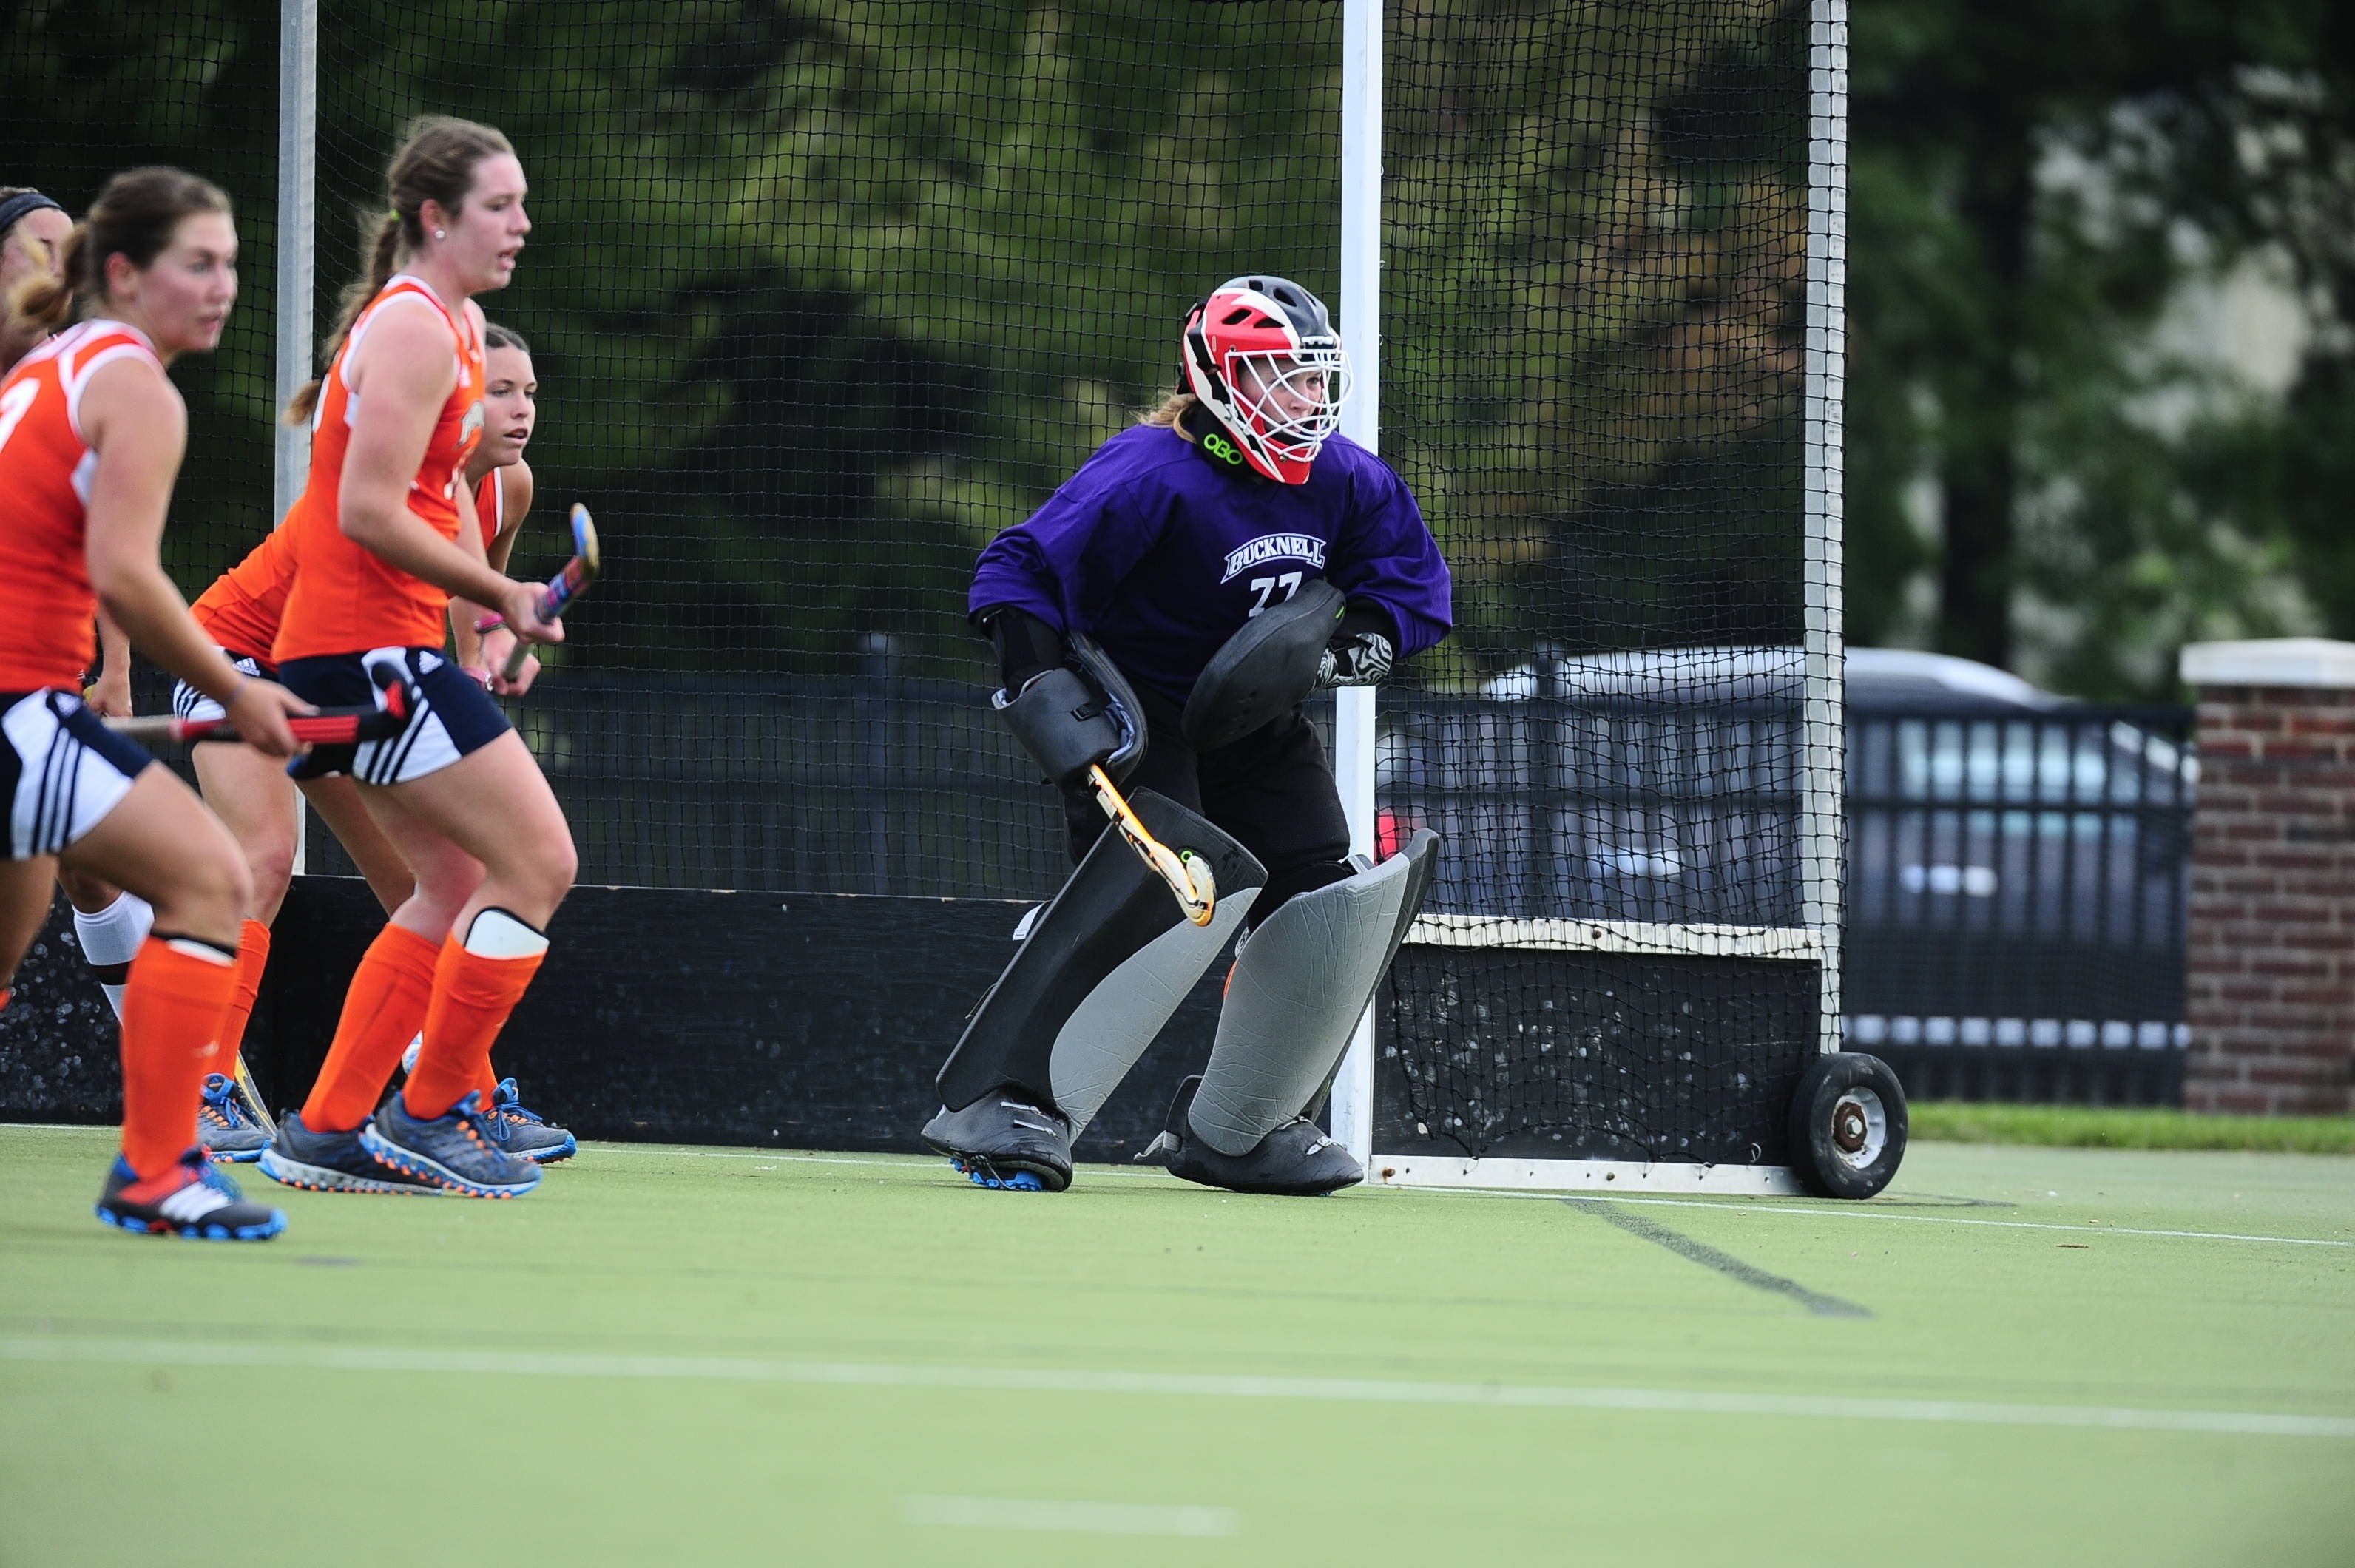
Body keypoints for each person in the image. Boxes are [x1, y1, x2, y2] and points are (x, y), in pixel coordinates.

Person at [922, 274, 1452, 1196]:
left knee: (1324, 904)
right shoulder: (1148, 472)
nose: (1306, 400)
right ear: (1215, 379)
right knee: (1159, 898)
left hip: (1257, 721)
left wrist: (1364, 640)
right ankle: (1007, 1101)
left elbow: (1407, 582)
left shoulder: (1345, 478)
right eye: (1280, 378)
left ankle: (1242, 1126)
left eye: (1314, 379)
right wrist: (1043, 688)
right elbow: (1016, 572)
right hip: (1139, 712)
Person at [76, 317, 575, 1170]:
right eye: (498, 391)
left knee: (426, 881)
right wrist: (475, 655)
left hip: (339, 679)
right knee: (266, 858)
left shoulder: (509, 487)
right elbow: (456, 622)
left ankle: (458, 1094)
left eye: (527, 392)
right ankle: (201, 1087)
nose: (517, 410)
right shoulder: (416, 481)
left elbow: (479, 615)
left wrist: (499, 649)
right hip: (241, 656)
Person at [253, 116, 576, 1200]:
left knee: (450, 881)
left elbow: (441, 506)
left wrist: (493, 625)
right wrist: (497, 594)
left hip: (382, 651)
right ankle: (430, 1112)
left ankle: (326, 1129)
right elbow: (368, 509)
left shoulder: (458, 321)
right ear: (435, 217)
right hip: (360, 652)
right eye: (500, 205)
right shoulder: (408, 331)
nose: (522, 224)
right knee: (537, 865)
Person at [0, 166, 312, 1239]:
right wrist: (237, 692)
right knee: (213, 879)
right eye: (198, 264)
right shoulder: (133, 384)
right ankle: (159, 1167)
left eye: (230, 263)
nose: (222, 286)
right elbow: (127, 575)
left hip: (23, 705)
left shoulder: (53, 366)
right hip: (15, 708)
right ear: (125, 274)